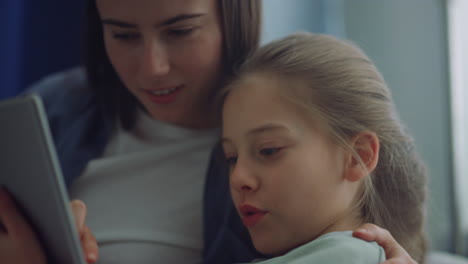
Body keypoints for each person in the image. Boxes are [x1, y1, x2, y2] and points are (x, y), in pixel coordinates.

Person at [0, 0, 418, 263]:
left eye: (181, 31)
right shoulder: (54, 108)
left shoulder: (296, 104)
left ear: (234, 14)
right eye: (123, 34)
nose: (153, 67)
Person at [219, 33, 427, 263]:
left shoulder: (347, 256)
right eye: (231, 158)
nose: (238, 178)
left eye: (269, 150)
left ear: (359, 156)